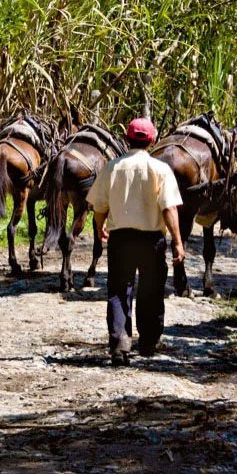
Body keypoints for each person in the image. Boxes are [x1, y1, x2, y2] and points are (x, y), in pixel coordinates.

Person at [87, 117, 185, 366]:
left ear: (127, 138)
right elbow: (169, 209)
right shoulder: (160, 169)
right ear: (151, 141)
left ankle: (120, 344)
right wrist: (178, 241)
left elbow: (99, 206)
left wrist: (100, 228)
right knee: (151, 289)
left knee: (119, 290)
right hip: (151, 239)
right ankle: (149, 340)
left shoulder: (112, 167)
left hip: (121, 238)